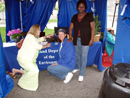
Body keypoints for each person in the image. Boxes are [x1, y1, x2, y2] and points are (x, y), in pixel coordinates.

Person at [12, 24, 53, 91]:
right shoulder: (30, 36)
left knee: (30, 70)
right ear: (35, 30)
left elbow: (38, 40)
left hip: (29, 59)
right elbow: (38, 46)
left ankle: (15, 70)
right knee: (34, 71)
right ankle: (22, 83)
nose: (40, 31)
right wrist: (46, 46)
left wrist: (46, 36)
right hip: (24, 59)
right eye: (39, 30)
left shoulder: (32, 37)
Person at [68, 0, 95, 82]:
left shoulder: (89, 16)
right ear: (77, 7)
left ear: (85, 8)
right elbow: (71, 28)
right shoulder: (74, 17)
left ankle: (81, 74)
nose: (81, 8)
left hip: (86, 39)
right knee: (76, 55)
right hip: (76, 39)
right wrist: (70, 37)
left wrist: (92, 39)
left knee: (83, 57)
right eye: (79, 6)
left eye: (83, 6)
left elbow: (93, 28)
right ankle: (77, 67)